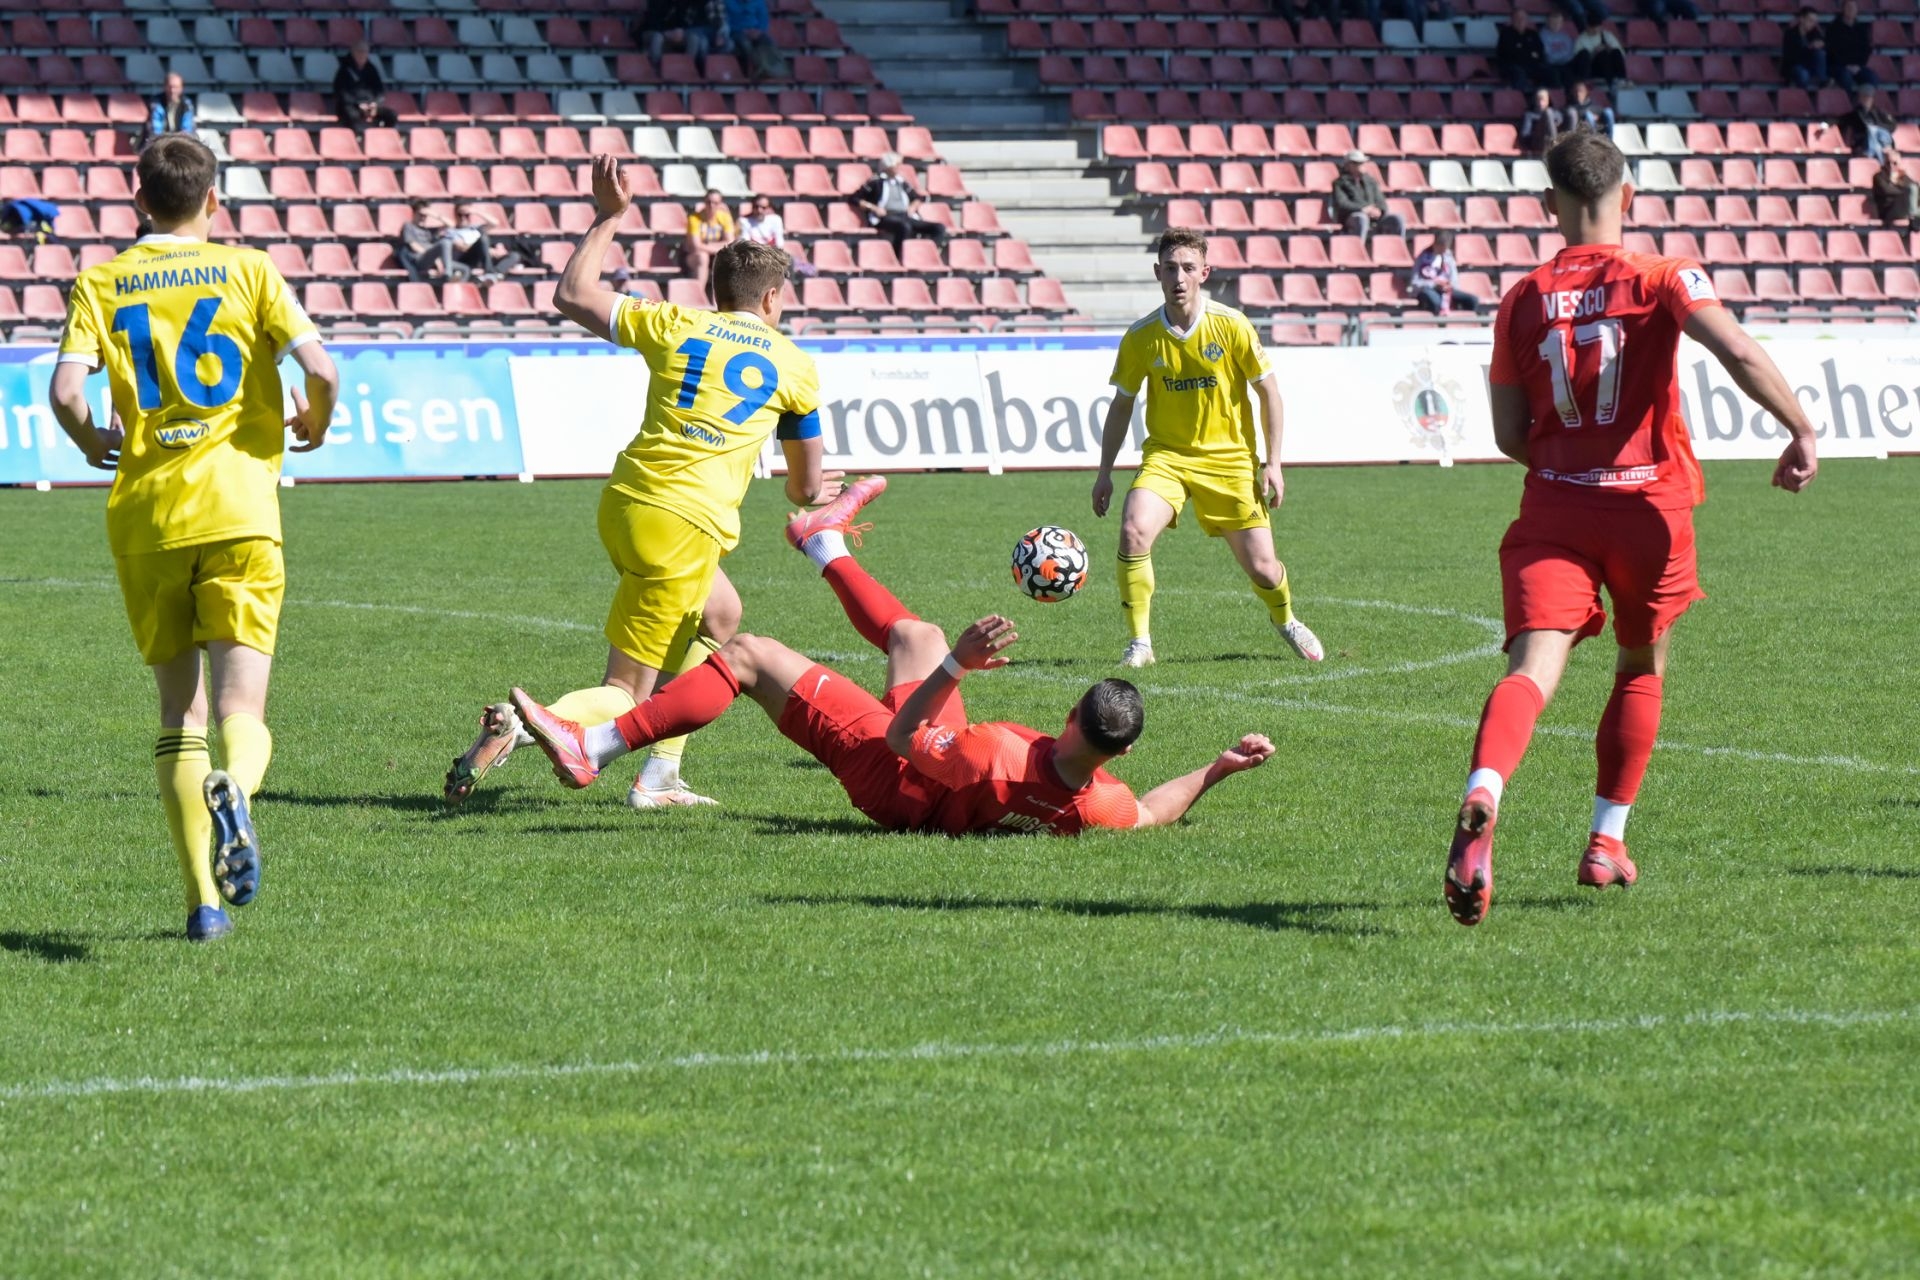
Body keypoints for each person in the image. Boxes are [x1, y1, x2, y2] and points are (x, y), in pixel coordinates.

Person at [1442, 132, 1818, 928]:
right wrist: (1800, 428)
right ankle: (1605, 841)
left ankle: (1485, 788)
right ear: (1630, 196)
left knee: (1532, 668)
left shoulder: (1522, 298)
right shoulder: (1665, 275)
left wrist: (1564, 463)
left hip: (1555, 505)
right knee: (1640, 662)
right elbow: (1736, 349)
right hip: (1649, 507)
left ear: (1548, 204)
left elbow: (1509, 432)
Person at [511, 485, 1277, 837]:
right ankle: (823, 541)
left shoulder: (999, 752)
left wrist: (958, 670)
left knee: (746, 655)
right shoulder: (1099, 804)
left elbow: (907, 737)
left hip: (894, 775)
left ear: (1072, 715)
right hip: (938, 778)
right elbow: (1152, 813)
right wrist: (1217, 769)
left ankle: (594, 747)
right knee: (919, 636)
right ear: (1122, 755)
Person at [445, 155, 837, 810]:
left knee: (721, 614)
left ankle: (661, 775)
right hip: (685, 524)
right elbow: (803, 488)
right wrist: (816, 493)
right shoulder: (795, 365)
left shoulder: (677, 321)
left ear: (716, 291)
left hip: (627, 502)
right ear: (773, 298)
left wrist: (609, 216)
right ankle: (526, 725)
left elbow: (572, 295)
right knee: (626, 690)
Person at [47, 135, 339, 942]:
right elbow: (322, 371)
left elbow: (66, 390)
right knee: (243, 707)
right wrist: (317, 420)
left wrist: (90, 442)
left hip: (147, 517)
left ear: (138, 201)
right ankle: (237, 786)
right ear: (214, 200)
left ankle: (203, 904)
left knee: (181, 715)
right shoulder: (251, 269)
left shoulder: (101, 280)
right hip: (240, 511)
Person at [1088, 228, 1323, 670]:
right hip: (1167, 458)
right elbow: (1121, 405)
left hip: (1229, 460)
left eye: (1188, 268)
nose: (1178, 277)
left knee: (1264, 569)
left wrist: (1273, 463)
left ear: (1204, 273)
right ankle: (1140, 643)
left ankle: (1286, 619)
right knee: (1133, 530)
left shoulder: (1231, 324)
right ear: (1157, 273)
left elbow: (1269, 392)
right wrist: (1104, 472)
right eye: (1170, 268)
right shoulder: (1141, 337)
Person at [853, 153, 948, 255]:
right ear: (888, 167)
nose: (899, 168)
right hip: (885, 217)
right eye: (897, 165)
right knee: (904, 227)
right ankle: (898, 255)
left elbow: (917, 197)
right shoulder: (875, 182)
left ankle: (927, 254)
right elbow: (855, 198)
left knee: (938, 228)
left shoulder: (901, 182)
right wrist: (873, 208)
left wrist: (912, 207)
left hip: (905, 215)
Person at [1330, 150, 1404, 242]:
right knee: (1361, 218)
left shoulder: (1370, 181)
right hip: (1352, 216)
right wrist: (1363, 209)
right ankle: (1358, 247)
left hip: (1374, 217)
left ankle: (1398, 246)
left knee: (1397, 218)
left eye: (1362, 162)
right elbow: (1342, 204)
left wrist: (1380, 210)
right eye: (1356, 163)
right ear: (1348, 165)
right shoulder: (1340, 183)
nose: (1361, 165)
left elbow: (1380, 200)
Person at [738, 194, 815, 275]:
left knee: (789, 260)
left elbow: (779, 243)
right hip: (754, 255)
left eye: (763, 208)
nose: (759, 210)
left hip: (772, 254)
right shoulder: (744, 221)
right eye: (756, 207)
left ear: (769, 208)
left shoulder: (776, 220)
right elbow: (746, 244)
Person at [1408, 230, 1482, 314]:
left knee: (1472, 300)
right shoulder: (1422, 258)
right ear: (1435, 243)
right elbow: (1415, 282)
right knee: (1436, 301)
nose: (1443, 250)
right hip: (1427, 289)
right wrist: (1434, 285)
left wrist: (1448, 285)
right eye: (1441, 247)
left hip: (1446, 289)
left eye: (1445, 247)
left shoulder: (1448, 257)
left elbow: (1454, 279)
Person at [448, 202, 521, 283]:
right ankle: (489, 273)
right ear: (455, 215)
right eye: (460, 215)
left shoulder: (475, 228)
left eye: (466, 215)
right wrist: (486, 249)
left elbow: (495, 223)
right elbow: (462, 248)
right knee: (483, 238)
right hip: (467, 259)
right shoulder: (451, 231)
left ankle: (495, 273)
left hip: (484, 258)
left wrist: (476, 211)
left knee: (514, 255)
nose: (463, 218)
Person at [332, 44, 397, 132]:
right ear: (353, 53)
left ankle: (381, 134)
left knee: (391, 115)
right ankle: (354, 137)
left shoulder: (371, 69)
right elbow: (341, 92)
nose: (362, 54)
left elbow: (379, 89)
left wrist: (375, 103)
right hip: (351, 105)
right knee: (351, 115)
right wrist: (359, 104)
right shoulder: (344, 70)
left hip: (371, 105)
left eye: (365, 52)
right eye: (360, 51)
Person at [680, 188, 735, 291]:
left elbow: (730, 242)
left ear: (720, 204)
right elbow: (696, 246)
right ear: (704, 202)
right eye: (708, 202)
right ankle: (699, 293)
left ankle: (718, 298)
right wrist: (718, 247)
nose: (711, 206)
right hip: (692, 256)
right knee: (703, 257)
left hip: (714, 255)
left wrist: (708, 246)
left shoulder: (725, 217)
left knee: (725, 259)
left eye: (715, 203)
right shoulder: (694, 219)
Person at [639, 0, 720, 69]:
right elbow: (652, 22)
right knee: (657, 38)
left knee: (693, 38)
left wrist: (681, 30)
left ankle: (687, 68)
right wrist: (665, 32)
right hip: (653, 31)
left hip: (673, 33)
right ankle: (655, 69)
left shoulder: (682, 3)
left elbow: (685, 21)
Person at [1824, 85, 1897, 161]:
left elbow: (1892, 125)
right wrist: (1826, 124)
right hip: (1863, 143)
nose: (1867, 99)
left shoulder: (1879, 113)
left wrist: (1877, 128)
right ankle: (1880, 157)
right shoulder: (1855, 114)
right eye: (1864, 97)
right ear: (1860, 98)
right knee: (1873, 135)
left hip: (1880, 140)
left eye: (1869, 97)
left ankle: (1877, 153)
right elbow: (1840, 119)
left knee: (1876, 132)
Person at [1826, 0, 1879, 93]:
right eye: (1849, 7)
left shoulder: (1861, 29)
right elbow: (1832, 51)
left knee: (1872, 78)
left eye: (1854, 8)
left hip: (1857, 66)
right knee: (1846, 77)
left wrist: (1858, 65)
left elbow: (1865, 50)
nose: (1851, 10)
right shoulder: (1833, 28)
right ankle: (1848, 100)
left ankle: (1866, 101)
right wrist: (1846, 65)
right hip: (1838, 66)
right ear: (1843, 9)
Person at [396, 199, 454, 282]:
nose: (423, 218)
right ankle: (448, 275)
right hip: (419, 259)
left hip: (432, 260)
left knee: (465, 269)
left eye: (425, 215)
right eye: (421, 214)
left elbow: (451, 225)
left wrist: (434, 215)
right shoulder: (408, 226)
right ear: (414, 213)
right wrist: (435, 260)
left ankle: (447, 279)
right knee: (445, 243)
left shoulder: (428, 231)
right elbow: (413, 246)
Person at [723, 0, 784, 79]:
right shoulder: (727, 2)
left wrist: (758, 31)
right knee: (745, 44)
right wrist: (743, 31)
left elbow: (763, 20)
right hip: (736, 32)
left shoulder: (759, 2)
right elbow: (725, 23)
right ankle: (751, 71)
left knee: (768, 41)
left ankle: (774, 70)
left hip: (755, 31)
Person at [1496, 9, 1549, 92]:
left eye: (1523, 18)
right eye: (1518, 18)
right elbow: (1510, 54)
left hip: (1531, 65)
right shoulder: (1506, 34)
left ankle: (1547, 96)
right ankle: (1519, 96)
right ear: (1512, 20)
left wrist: (1523, 51)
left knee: (1549, 72)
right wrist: (1530, 53)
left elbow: (1540, 52)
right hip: (1511, 66)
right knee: (1519, 72)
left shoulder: (1533, 34)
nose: (1520, 21)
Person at [142, 73, 195, 148]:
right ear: (164, 87)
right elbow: (155, 130)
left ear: (181, 88)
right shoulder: (155, 104)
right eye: (170, 87)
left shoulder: (187, 105)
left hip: (181, 143)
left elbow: (187, 129)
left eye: (176, 87)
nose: (172, 91)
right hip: (159, 143)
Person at [1570, 22, 1627, 91]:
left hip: (1609, 67)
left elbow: (1621, 54)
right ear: (1588, 27)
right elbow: (1579, 62)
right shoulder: (1581, 39)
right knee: (1602, 54)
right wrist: (1594, 53)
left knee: (1615, 51)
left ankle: (1621, 79)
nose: (1595, 30)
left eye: (1597, 28)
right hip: (1593, 69)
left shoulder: (1607, 35)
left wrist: (1609, 48)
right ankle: (1610, 83)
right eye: (1592, 28)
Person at [1870, 149, 1918, 227]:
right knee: (1911, 191)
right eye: (1888, 163)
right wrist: (1905, 191)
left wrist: (1899, 184)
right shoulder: (1879, 177)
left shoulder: (1902, 175)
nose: (1891, 166)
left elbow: (1914, 187)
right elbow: (1887, 190)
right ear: (1884, 163)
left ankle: (1914, 216)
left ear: (1899, 163)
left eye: (1894, 163)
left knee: (1913, 189)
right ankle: (1913, 218)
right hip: (1888, 211)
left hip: (1904, 208)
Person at [1782, 7, 1828, 89]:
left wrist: (1822, 44)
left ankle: (1822, 81)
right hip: (1794, 65)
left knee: (1821, 53)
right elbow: (1790, 57)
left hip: (1809, 64)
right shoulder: (1790, 34)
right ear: (1802, 19)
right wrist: (1809, 47)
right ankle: (1803, 94)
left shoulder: (1815, 32)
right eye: (1810, 20)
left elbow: (1824, 45)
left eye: (1814, 22)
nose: (1813, 24)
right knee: (1803, 74)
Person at [1520, 88, 1565, 156]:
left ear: (1548, 101)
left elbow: (1561, 123)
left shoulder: (1556, 114)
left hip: (1555, 140)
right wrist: (1539, 128)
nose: (1540, 103)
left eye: (1543, 100)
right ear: (1535, 101)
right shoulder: (1529, 115)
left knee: (1571, 112)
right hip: (1538, 143)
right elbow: (1525, 136)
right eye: (1538, 100)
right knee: (1548, 113)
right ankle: (1554, 146)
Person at [1539, 11, 1579, 88]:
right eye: (1553, 22)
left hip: (1565, 65)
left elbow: (1571, 54)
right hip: (1551, 66)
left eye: (1558, 22)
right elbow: (1548, 57)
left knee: (1571, 77)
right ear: (1548, 22)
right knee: (1555, 75)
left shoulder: (1565, 36)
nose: (1556, 25)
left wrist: (1562, 58)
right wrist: (1563, 57)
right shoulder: (1542, 36)